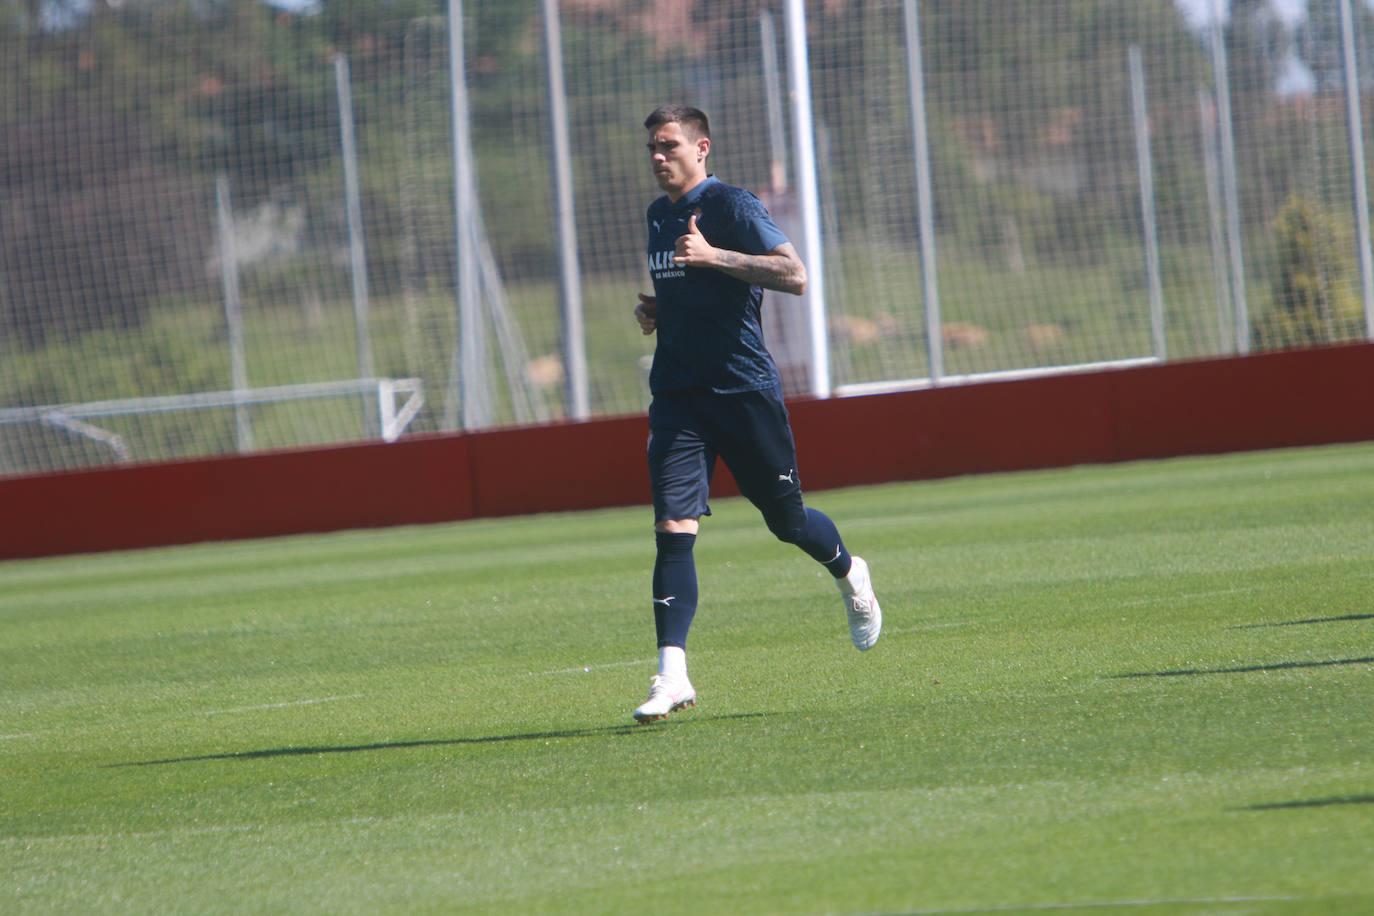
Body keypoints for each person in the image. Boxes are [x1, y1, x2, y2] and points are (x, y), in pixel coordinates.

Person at [631, 104, 881, 724]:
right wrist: (661, 310)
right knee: (673, 529)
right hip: (678, 397)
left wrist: (715, 257)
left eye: (669, 146)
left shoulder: (733, 206)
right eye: (652, 149)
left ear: (702, 147)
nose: (658, 158)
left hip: (743, 392)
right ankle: (672, 674)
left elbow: (794, 275)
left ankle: (851, 573)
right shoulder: (658, 217)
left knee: (788, 522)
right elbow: (689, 288)